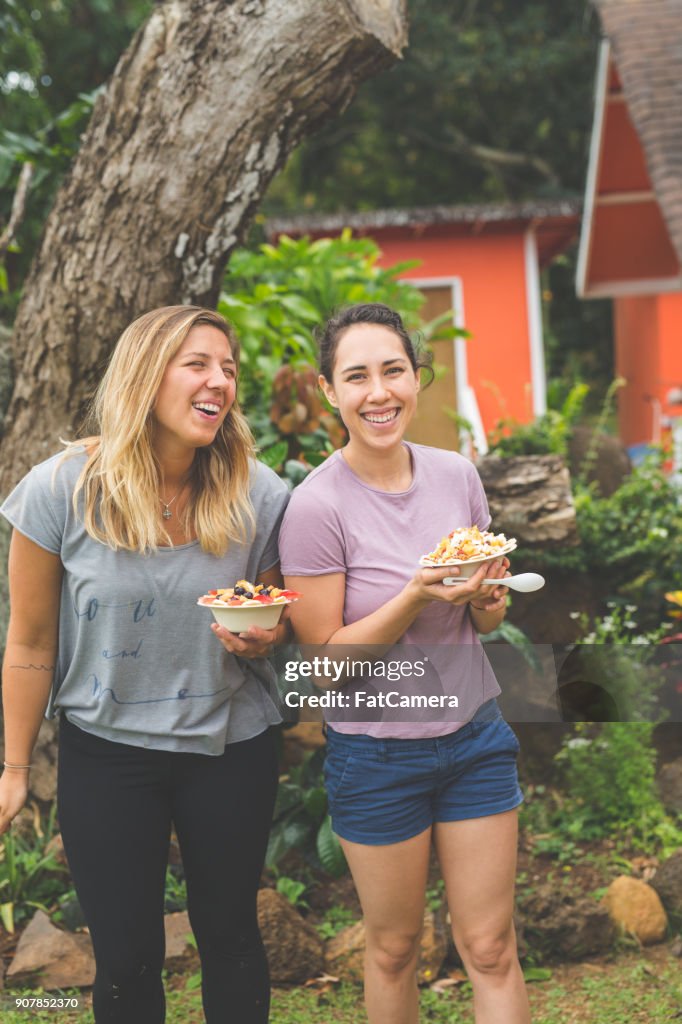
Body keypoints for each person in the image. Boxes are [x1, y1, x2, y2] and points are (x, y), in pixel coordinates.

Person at [0, 305, 290, 1024]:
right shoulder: (59, 490)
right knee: (127, 959)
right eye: (198, 363)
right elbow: (31, 641)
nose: (219, 380)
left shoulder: (262, 496)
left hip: (232, 743)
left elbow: (283, 618)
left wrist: (269, 639)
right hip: (107, 750)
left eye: (228, 368)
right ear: (144, 375)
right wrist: (11, 769)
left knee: (230, 938)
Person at [279, 303, 530, 1024]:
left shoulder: (456, 476)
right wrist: (417, 593)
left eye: (392, 370)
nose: (378, 392)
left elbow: (487, 616)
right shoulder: (316, 507)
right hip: (375, 755)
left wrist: (488, 592)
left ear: (417, 378)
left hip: (475, 739)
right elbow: (324, 666)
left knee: (489, 945)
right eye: (356, 376)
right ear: (330, 391)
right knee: (393, 949)